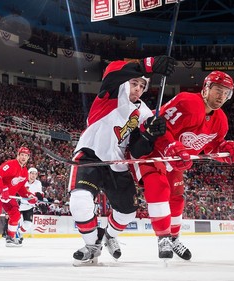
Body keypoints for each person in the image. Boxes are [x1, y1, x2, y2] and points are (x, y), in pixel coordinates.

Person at [68, 55, 175, 264]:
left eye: (142, 86)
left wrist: (149, 135)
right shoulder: (111, 93)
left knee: (127, 213)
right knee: (79, 202)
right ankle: (92, 246)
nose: (137, 88)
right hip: (90, 155)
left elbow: (137, 150)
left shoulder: (144, 113)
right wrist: (147, 65)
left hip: (117, 164)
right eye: (134, 83)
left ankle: (108, 236)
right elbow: (114, 72)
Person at [131, 71, 234, 260]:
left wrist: (225, 150)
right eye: (218, 90)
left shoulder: (221, 121)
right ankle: (163, 238)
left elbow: (208, 147)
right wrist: (171, 146)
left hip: (175, 160)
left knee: (177, 200)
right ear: (206, 88)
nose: (221, 96)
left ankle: (174, 238)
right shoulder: (189, 102)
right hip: (153, 151)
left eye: (226, 93)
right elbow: (159, 126)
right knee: (159, 189)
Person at [16, 167, 44, 245]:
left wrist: (41, 204)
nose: (33, 175)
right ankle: (12, 236)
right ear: (28, 174)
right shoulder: (22, 181)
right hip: (19, 204)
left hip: (29, 206)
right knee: (15, 220)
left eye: (35, 174)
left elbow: (39, 195)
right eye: (32, 173)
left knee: (28, 224)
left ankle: (19, 232)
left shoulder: (38, 183)